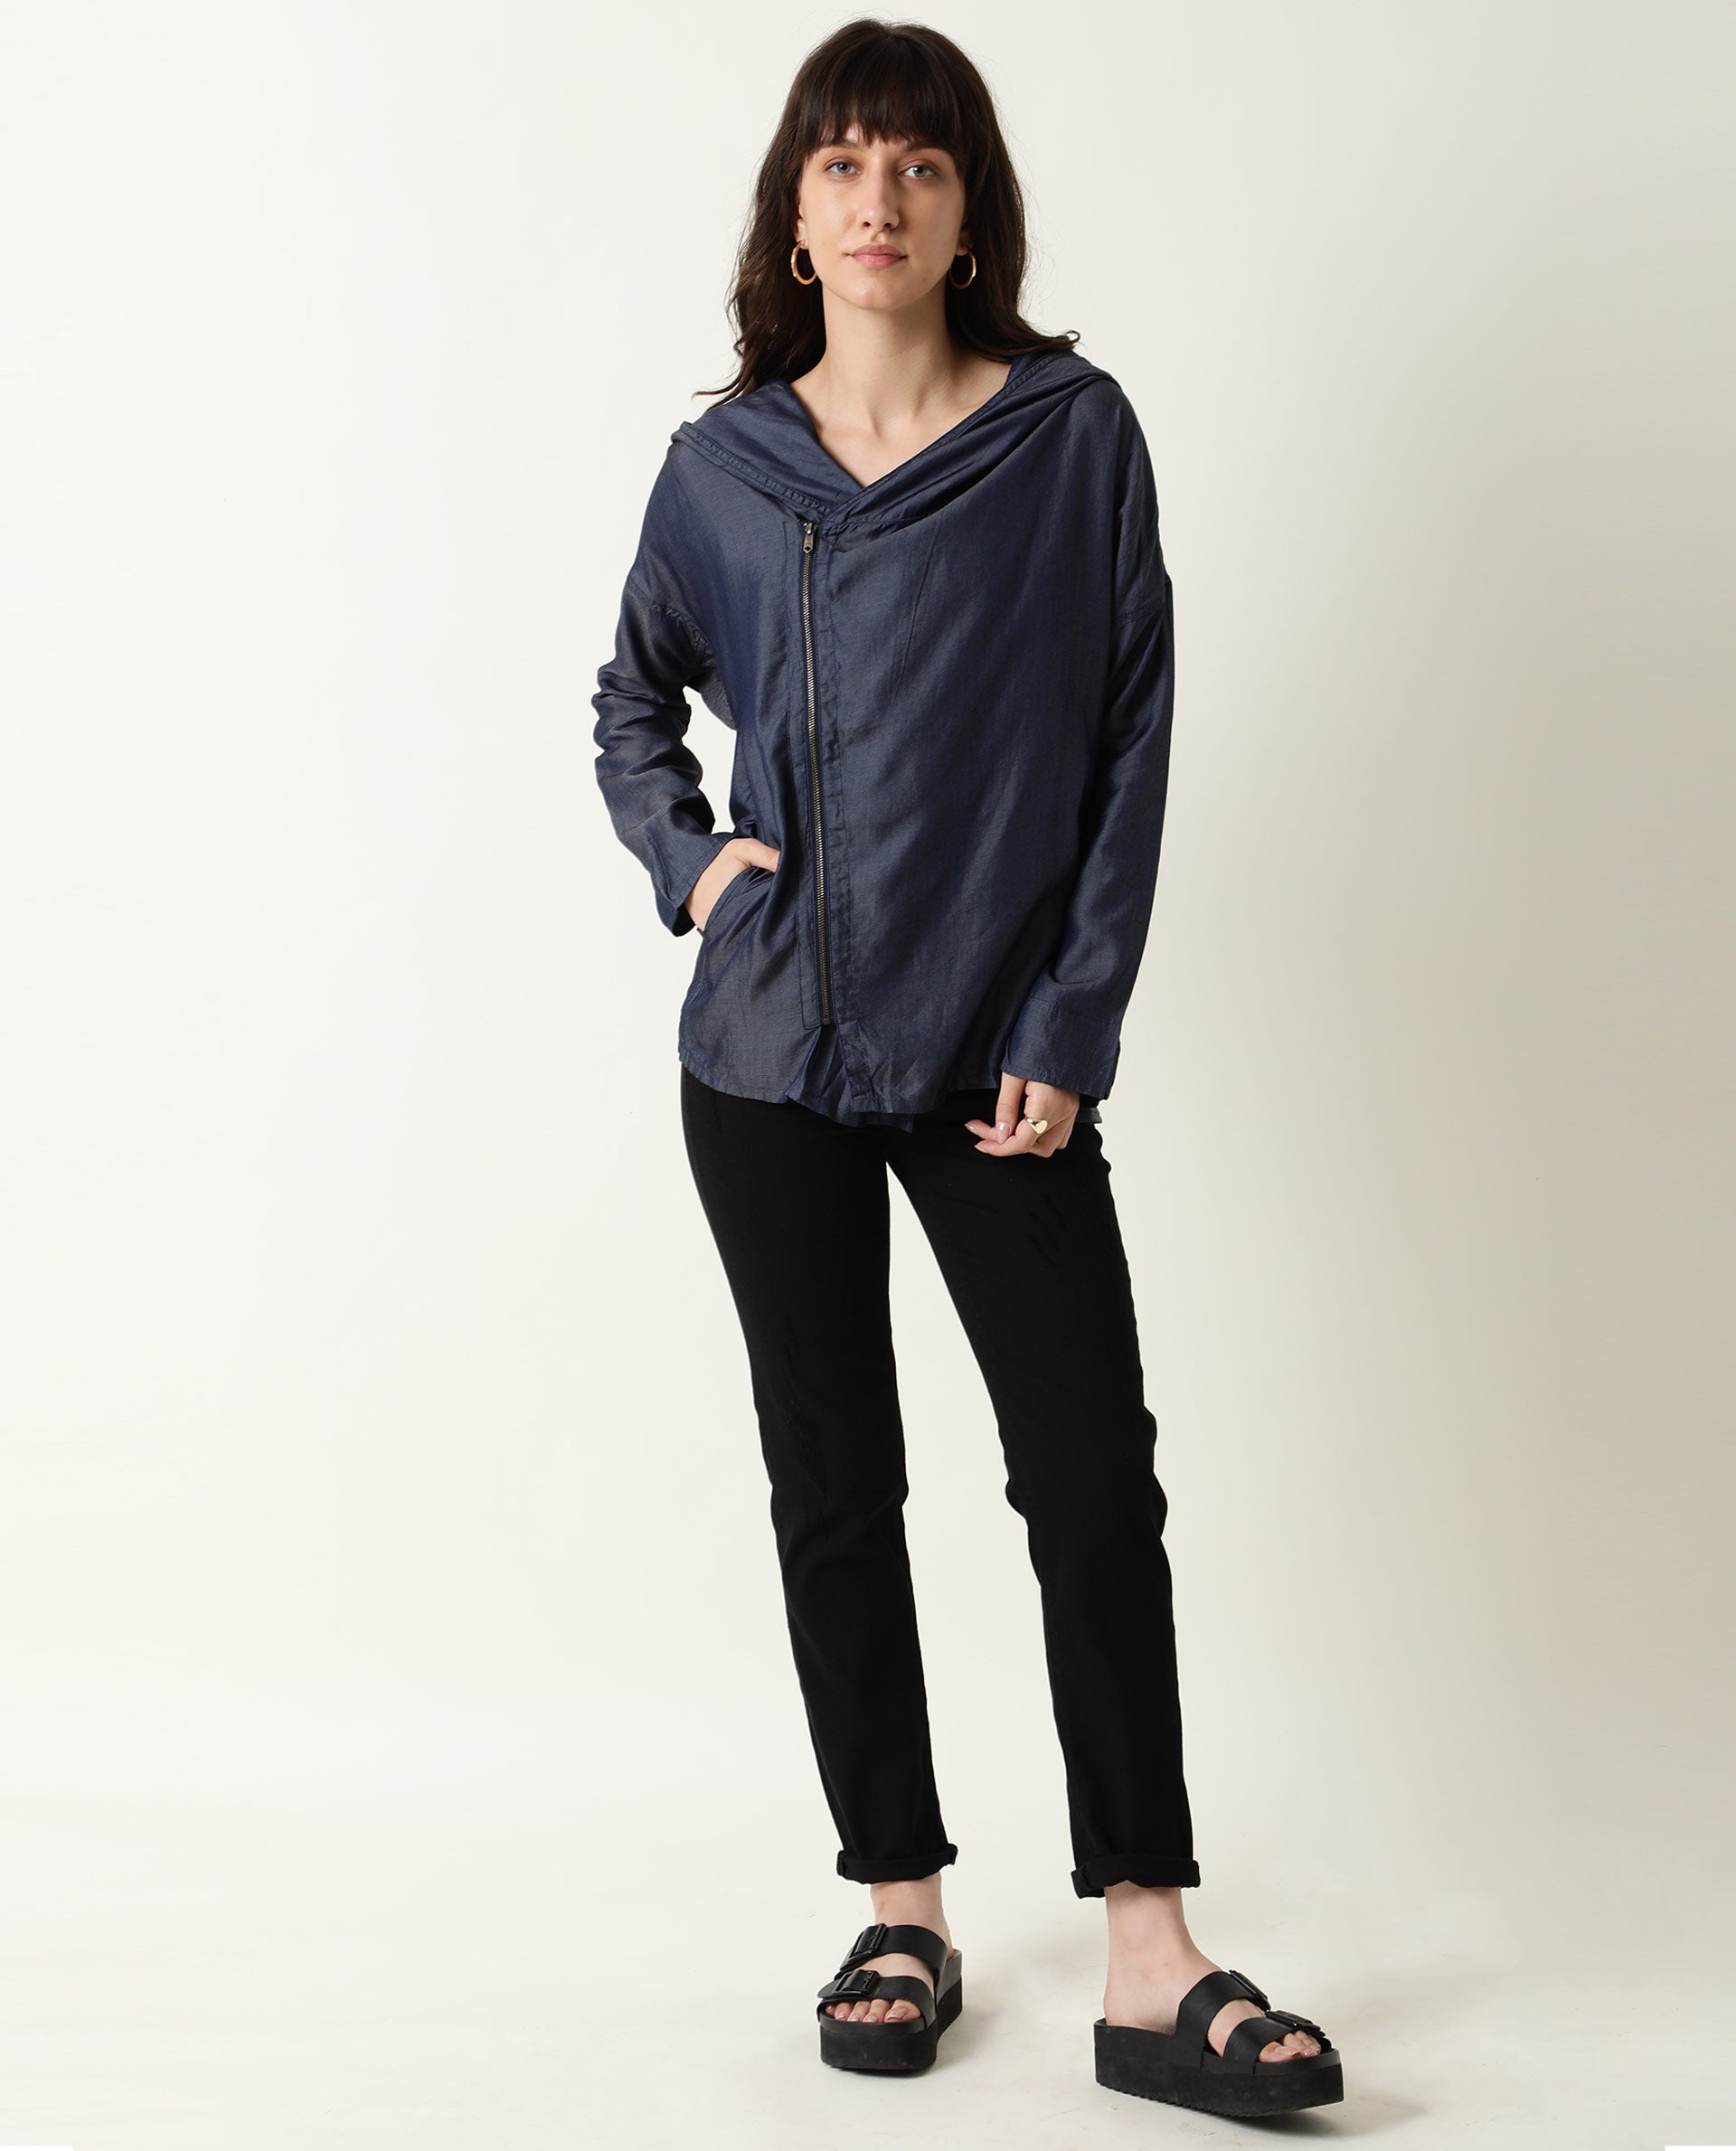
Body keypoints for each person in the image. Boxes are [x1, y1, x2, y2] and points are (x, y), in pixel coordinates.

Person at [590, 18, 1344, 2120]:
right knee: (836, 1481)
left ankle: (1148, 1948)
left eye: (918, 163)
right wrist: (689, 858)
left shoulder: (1071, 439)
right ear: (794, 214)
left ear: (969, 209)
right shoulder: (724, 471)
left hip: (1000, 1054)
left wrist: (1067, 1024)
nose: (880, 198)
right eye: (841, 163)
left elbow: (1130, 740)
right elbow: (630, 697)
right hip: (767, 1054)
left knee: (1091, 1473)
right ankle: (900, 1907)